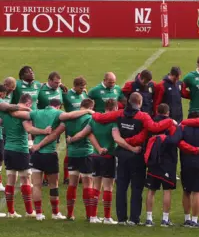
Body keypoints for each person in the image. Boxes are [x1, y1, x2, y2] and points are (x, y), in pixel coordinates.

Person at [92, 93, 176, 225]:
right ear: (140, 102)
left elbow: (101, 118)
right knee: (136, 188)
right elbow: (155, 127)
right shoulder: (143, 116)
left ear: (128, 102)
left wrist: (91, 112)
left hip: (122, 155)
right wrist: (170, 121)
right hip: (137, 155)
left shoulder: (119, 114)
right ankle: (134, 219)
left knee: (121, 187)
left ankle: (121, 219)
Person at [24, 98, 92, 221]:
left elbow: (24, 116)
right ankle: (55, 213)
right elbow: (59, 129)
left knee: (37, 185)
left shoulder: (37, 112)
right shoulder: (58, 114)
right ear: (59, 106)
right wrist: (88, 111)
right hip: (49, 153)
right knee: (53, 185)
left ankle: (38, 214)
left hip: (35, 153)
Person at [63, 99, 119, 224]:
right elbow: (116, 138)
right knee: (108, 187)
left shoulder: (95, 119)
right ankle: (107, 217)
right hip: (107, 156)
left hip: (94, 156)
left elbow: (84, 134)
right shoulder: (113, 121)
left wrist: (71, 140)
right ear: (115, 108)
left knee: (95, 186)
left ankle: (92, 216)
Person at [0, 94, 36, 218]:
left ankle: (11, 212)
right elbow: (29, 130)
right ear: (28, 103)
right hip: (21, 149)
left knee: (10, 179)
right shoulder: (23, 114)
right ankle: (30, 212)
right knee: (25, 178)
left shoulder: (6, 112)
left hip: (8, 148)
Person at [62, 76, 89, 185]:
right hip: (71, 126)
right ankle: (66, 176)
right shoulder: (67, 95)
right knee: (70, 151)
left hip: (83, 125)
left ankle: (81, 175)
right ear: (76, 86)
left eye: (84, 88)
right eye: (81, 88)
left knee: (83, 149)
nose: (82, 90)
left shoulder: (84, 94)